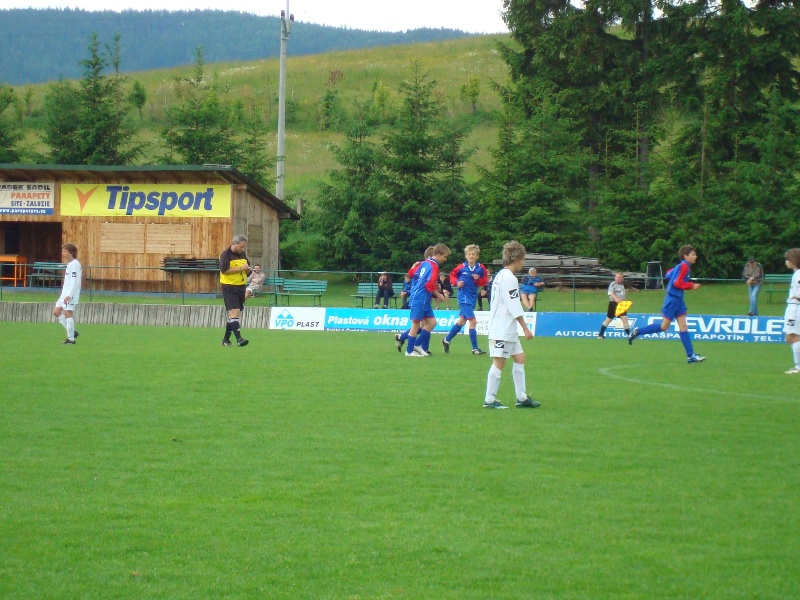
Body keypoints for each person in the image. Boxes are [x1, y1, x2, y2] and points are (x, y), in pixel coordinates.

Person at [483, 241, 540, 409]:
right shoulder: (509, 278)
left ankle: (521, 398)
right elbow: (513, 305)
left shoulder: (501, 275)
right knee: (499, 362)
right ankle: (489, 400)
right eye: (523, 259)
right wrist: (525, 327)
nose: (523, 262)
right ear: (516, 258)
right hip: (502, 328)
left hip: (507, 328)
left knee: (520, 357)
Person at [628, 245, 706, 363]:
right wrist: (691, 285)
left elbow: (668, 275)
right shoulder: (684, 267)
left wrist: (675, 273)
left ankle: (690, 356)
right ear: (686, 256)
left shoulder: (681, 266)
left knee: (683, 327)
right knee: (664, 327)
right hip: (673, 300)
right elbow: (677, 283)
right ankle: (638, 331)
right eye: (693, 254)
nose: (695, 256)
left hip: (678, 300)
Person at [402, 244, 450, 357]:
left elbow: (411, 274)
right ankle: (409, 351)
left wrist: (413, 268)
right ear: (438, 255)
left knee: (432, 323)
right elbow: (428, 284)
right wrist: (439, 295)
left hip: (423, 298)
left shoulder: (424, 263)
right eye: (445, 256)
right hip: (420, 297)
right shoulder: (433, 266)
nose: (445, 259)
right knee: (416, 324)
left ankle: (417, 345)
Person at [442, 244, 488, 355]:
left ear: (477, 256)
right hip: (463, 297)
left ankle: (446, 339)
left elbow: (484, 281)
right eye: (469, 254)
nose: (471, 256)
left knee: (462, 321)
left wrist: (478, 280)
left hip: (472, 297)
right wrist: (457, 282)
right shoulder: (460, 267)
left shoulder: (481, 268)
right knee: (473, 321)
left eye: (473, 254)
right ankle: (475, 348)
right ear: (465, 256)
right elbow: (452, 276)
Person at [219, 234, 252, 347]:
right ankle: (239, 339)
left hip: (240, 286)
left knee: (234, 314)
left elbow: (247, 267)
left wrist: (248, 270)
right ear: (234, 243)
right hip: (229, 287)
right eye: (241, 247)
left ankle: (225, 340)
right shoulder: (225, 255)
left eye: (244, 247)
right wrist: (240, 268)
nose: (242, 249)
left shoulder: (242, 254)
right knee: (235, 312)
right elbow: (224, 270)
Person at [53, 243, 82, 344]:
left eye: (65, 251)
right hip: (64, 294)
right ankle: (72, 332)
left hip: (70, 295)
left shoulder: (75, 264)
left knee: (68, 313)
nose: (63, 253)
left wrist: (69, 295)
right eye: (62, 251)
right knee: (56, 312)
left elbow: (75, 281)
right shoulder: (69, 264)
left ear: (71, 252)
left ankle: (71, 339)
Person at [781, 249, 800, 374]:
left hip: (796, 308)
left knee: (792, 336)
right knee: (791, 337)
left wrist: (797, 297)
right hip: (793, 307)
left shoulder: (798, 274)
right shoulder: (796, 274)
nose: (786, 262)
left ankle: (798, 366)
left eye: (787, 259)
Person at [598, 272, 632, 339]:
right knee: (609, 319)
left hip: (621, 304)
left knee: (625, 319)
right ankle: (600, 334)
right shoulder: (613, 284)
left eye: (619, 277)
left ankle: (629, 335)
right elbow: (611, 293)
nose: (618, 279)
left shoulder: (622, 285)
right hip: (613, 304)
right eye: (617, 277)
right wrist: (616, 298)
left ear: (622, 278)